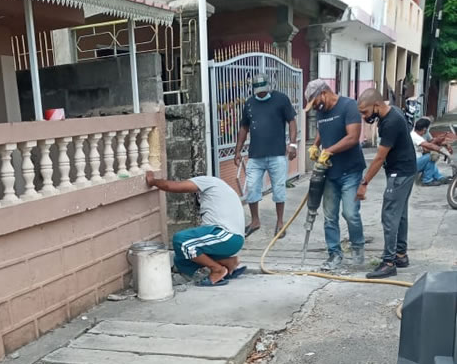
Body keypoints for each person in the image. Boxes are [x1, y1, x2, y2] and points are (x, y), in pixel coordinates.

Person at [303, 79, 366, 270]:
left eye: (314, 102)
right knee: (330, 216)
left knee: (350, 213)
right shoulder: (321, 111)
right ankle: (334, 254)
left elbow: (353, 137)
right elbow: (322, 129)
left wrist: (329, 150)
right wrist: (315, 145)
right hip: (330, 172)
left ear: (323, 93)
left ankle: (357, 247)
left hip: (351, 170)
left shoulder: (349, 106)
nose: (315, 107)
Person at [356, 88, 417, 279]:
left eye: (365, 112)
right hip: (407, 169)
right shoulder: (392, 113)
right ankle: (401, 255)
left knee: (389, 215)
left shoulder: (391, 122)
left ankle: (389, 262)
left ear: (376, 105)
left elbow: (379, 157)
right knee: (400, 214)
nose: (364, 117)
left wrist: (364, 182)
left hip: (400, 172)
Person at [145, 172, 245, 286]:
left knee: (181, 240)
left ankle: (217, 269)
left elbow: (171, 186)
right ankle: (228, 263)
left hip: (227, 236)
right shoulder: (219, 192)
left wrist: (153, 181)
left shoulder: (207, 181)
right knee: (181, 259)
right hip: (230, 239)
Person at [233, 72, 298, 238]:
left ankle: (280, 222)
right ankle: (255, 221)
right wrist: (238, 150)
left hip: (277, 155)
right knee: (252, 188)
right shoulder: (249, 103)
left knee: (279, 189)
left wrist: (292, 144)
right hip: (255, 156)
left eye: (263, 90)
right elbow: (244, 127)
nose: (261, 93)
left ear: (269, 86)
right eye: (258, 91)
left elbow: (292, 121)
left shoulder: (281, 99)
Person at [410, 117, 452, 186]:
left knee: (430, 157)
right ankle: (427, 180)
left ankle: (439, 177)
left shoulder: (416, 135)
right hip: (412, 165)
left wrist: (443, 144)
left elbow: (428, 146)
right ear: (424, 129)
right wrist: (444, 152)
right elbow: (430, 145)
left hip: (416, 162)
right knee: (432, 155)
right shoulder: (414, 136)